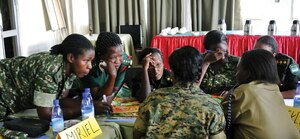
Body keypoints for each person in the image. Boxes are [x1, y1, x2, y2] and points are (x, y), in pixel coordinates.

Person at [0, 34, 111, 121]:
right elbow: (46, 114)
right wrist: (86, 109)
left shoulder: (70, 68)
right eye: (86, 60)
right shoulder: (50, 69)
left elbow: (60, 101)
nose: (90, 67)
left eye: (91, 61)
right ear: (71, 57)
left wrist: (91, 105)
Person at [134, 46, 226, 138]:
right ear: (199, 73)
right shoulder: (212, 107)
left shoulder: (152, 100)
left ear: (172, 73)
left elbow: (137, 134)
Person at [222, 49, 300, 139]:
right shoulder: (274, 88)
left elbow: (217, 119)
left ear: (248, 72)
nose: (236, 74)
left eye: (238, 68)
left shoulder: (243, 91)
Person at [78, 32, 131, 101]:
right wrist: (112, 75)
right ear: (101, 56)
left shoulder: (124, 60)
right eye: (112, 58)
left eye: (120, 55)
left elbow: (115, 90)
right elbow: (98, 97)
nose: (118, 61)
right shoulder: (90, 66)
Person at [199, 30, 239, 96]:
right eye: (218, 53)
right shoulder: (197, 61)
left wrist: (232, 93)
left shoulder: (237, 63)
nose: (222, 57)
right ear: (207, 51)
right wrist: (206, 62)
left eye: (225, 52)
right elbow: (192, 87)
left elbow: (245, 88)